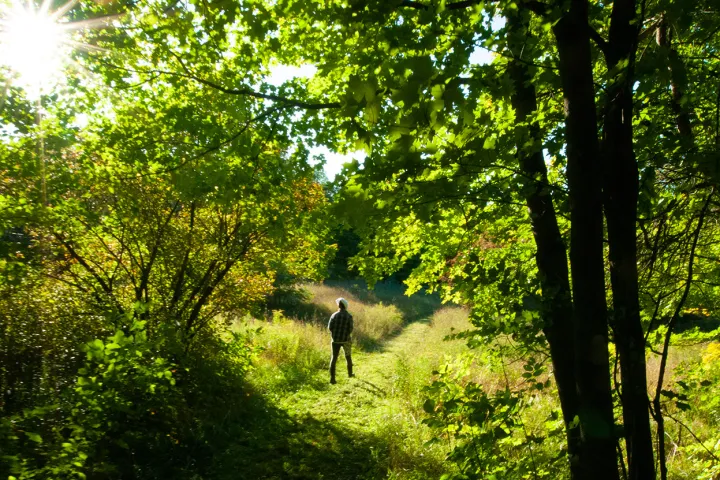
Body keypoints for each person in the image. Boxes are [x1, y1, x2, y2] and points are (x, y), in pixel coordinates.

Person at [327, 297, 354, 384]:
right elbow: (350, 329)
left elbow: (330, 328)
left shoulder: (334, 315)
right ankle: (350, 374)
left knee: (334, 358)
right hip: (346, 340)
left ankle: (332, 379)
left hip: (335, 340)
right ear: (345, 306)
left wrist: (335, 334)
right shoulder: (349, 316)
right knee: (348, 356)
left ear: (339, 305)